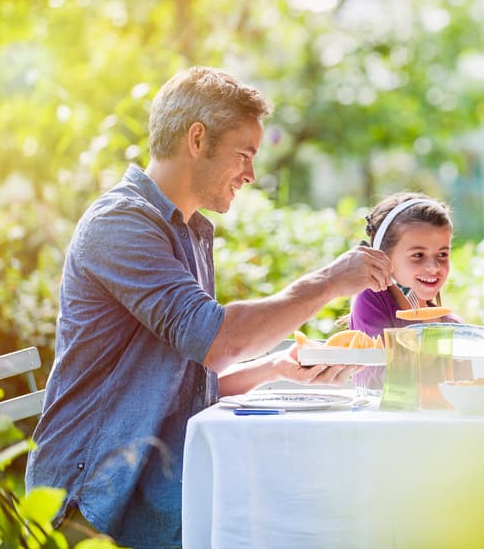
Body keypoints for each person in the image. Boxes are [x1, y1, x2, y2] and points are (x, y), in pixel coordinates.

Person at [25, 66, 393, 549]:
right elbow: (220, 341)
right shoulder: (120, 226)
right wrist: (331, 279)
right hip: (93, 503)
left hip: (154, 487)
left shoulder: (188, 231)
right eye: (244, 154)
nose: (251, 174)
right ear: (196, 139)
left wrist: (277, 367)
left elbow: (186, 381)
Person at [348, 192, 461, 337]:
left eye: (442, 254)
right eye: (418, 255)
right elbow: (385, 358)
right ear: (383, 258)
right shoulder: (370, 300)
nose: (434, 267)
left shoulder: (453, 326)